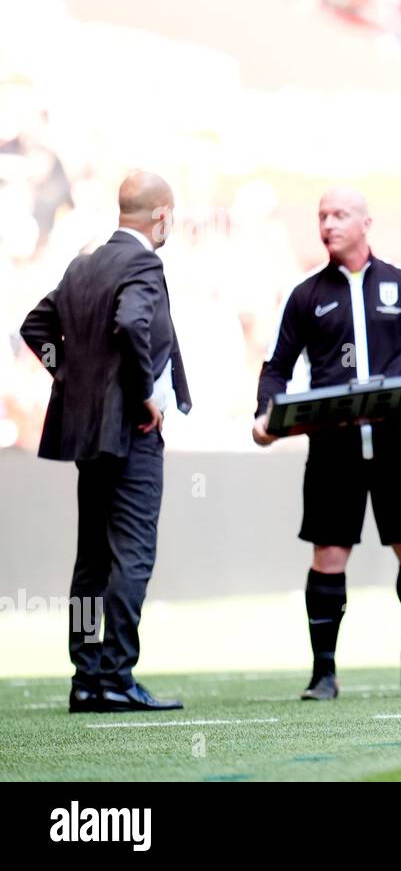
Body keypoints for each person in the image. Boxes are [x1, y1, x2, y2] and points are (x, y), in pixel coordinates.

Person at [252, 187, 401, 701]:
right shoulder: (305, 295)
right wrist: (265, 414)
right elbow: (277, 365)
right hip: (332, 449)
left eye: (340, 215)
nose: (328, 224)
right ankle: (324, 673)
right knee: (328, 555)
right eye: (322, 216)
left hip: (399, 443)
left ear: (366, 222)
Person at [21, 171, 192, 714]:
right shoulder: (143, 263)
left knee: (90, 564)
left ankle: (87, 676)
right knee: (132, 558)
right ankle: (117, 675)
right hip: (131, 435)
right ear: (162, 214)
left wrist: (68, 377)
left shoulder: (83, 263)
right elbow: (130, 323)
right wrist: (141, 393)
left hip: (87, 435)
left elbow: (35, 328)